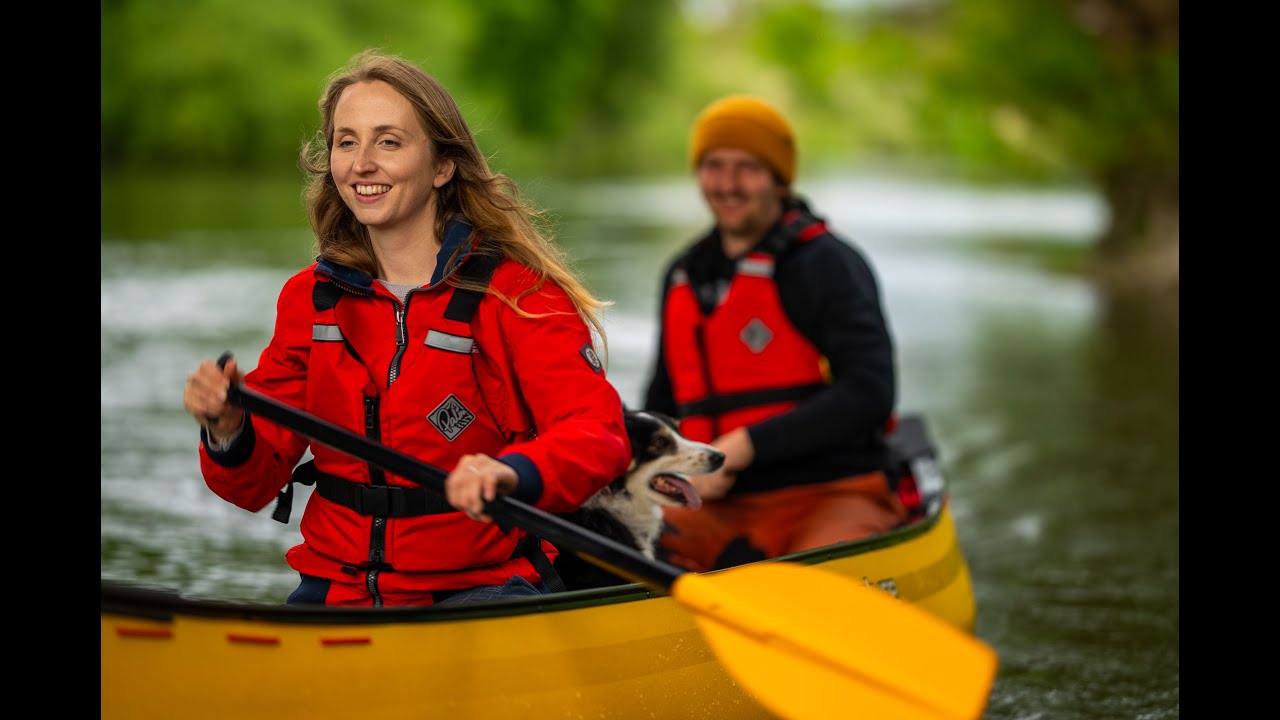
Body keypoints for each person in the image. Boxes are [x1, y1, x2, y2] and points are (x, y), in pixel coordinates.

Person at [181, 50, 631, 607]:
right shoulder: (310, 300)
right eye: (346, 142)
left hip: (479, 589)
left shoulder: (519, 296)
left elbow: (599, 434)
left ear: (442, 166)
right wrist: (228, 430)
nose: (362, 163)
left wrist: (513, 473)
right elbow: (249, 485)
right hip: (335, 589)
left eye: (388, 142)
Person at [642, 95, 909, 573]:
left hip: (832, 495)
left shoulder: (830, 265)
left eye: (747, 168)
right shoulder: (682, 275)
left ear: (780, 179)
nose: (727, 184)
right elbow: (661, 402)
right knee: (617, 553)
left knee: (822, 573)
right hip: (715, 509)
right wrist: (666, 470)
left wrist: (743, 447)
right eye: (712, 166)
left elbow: (871, 391)